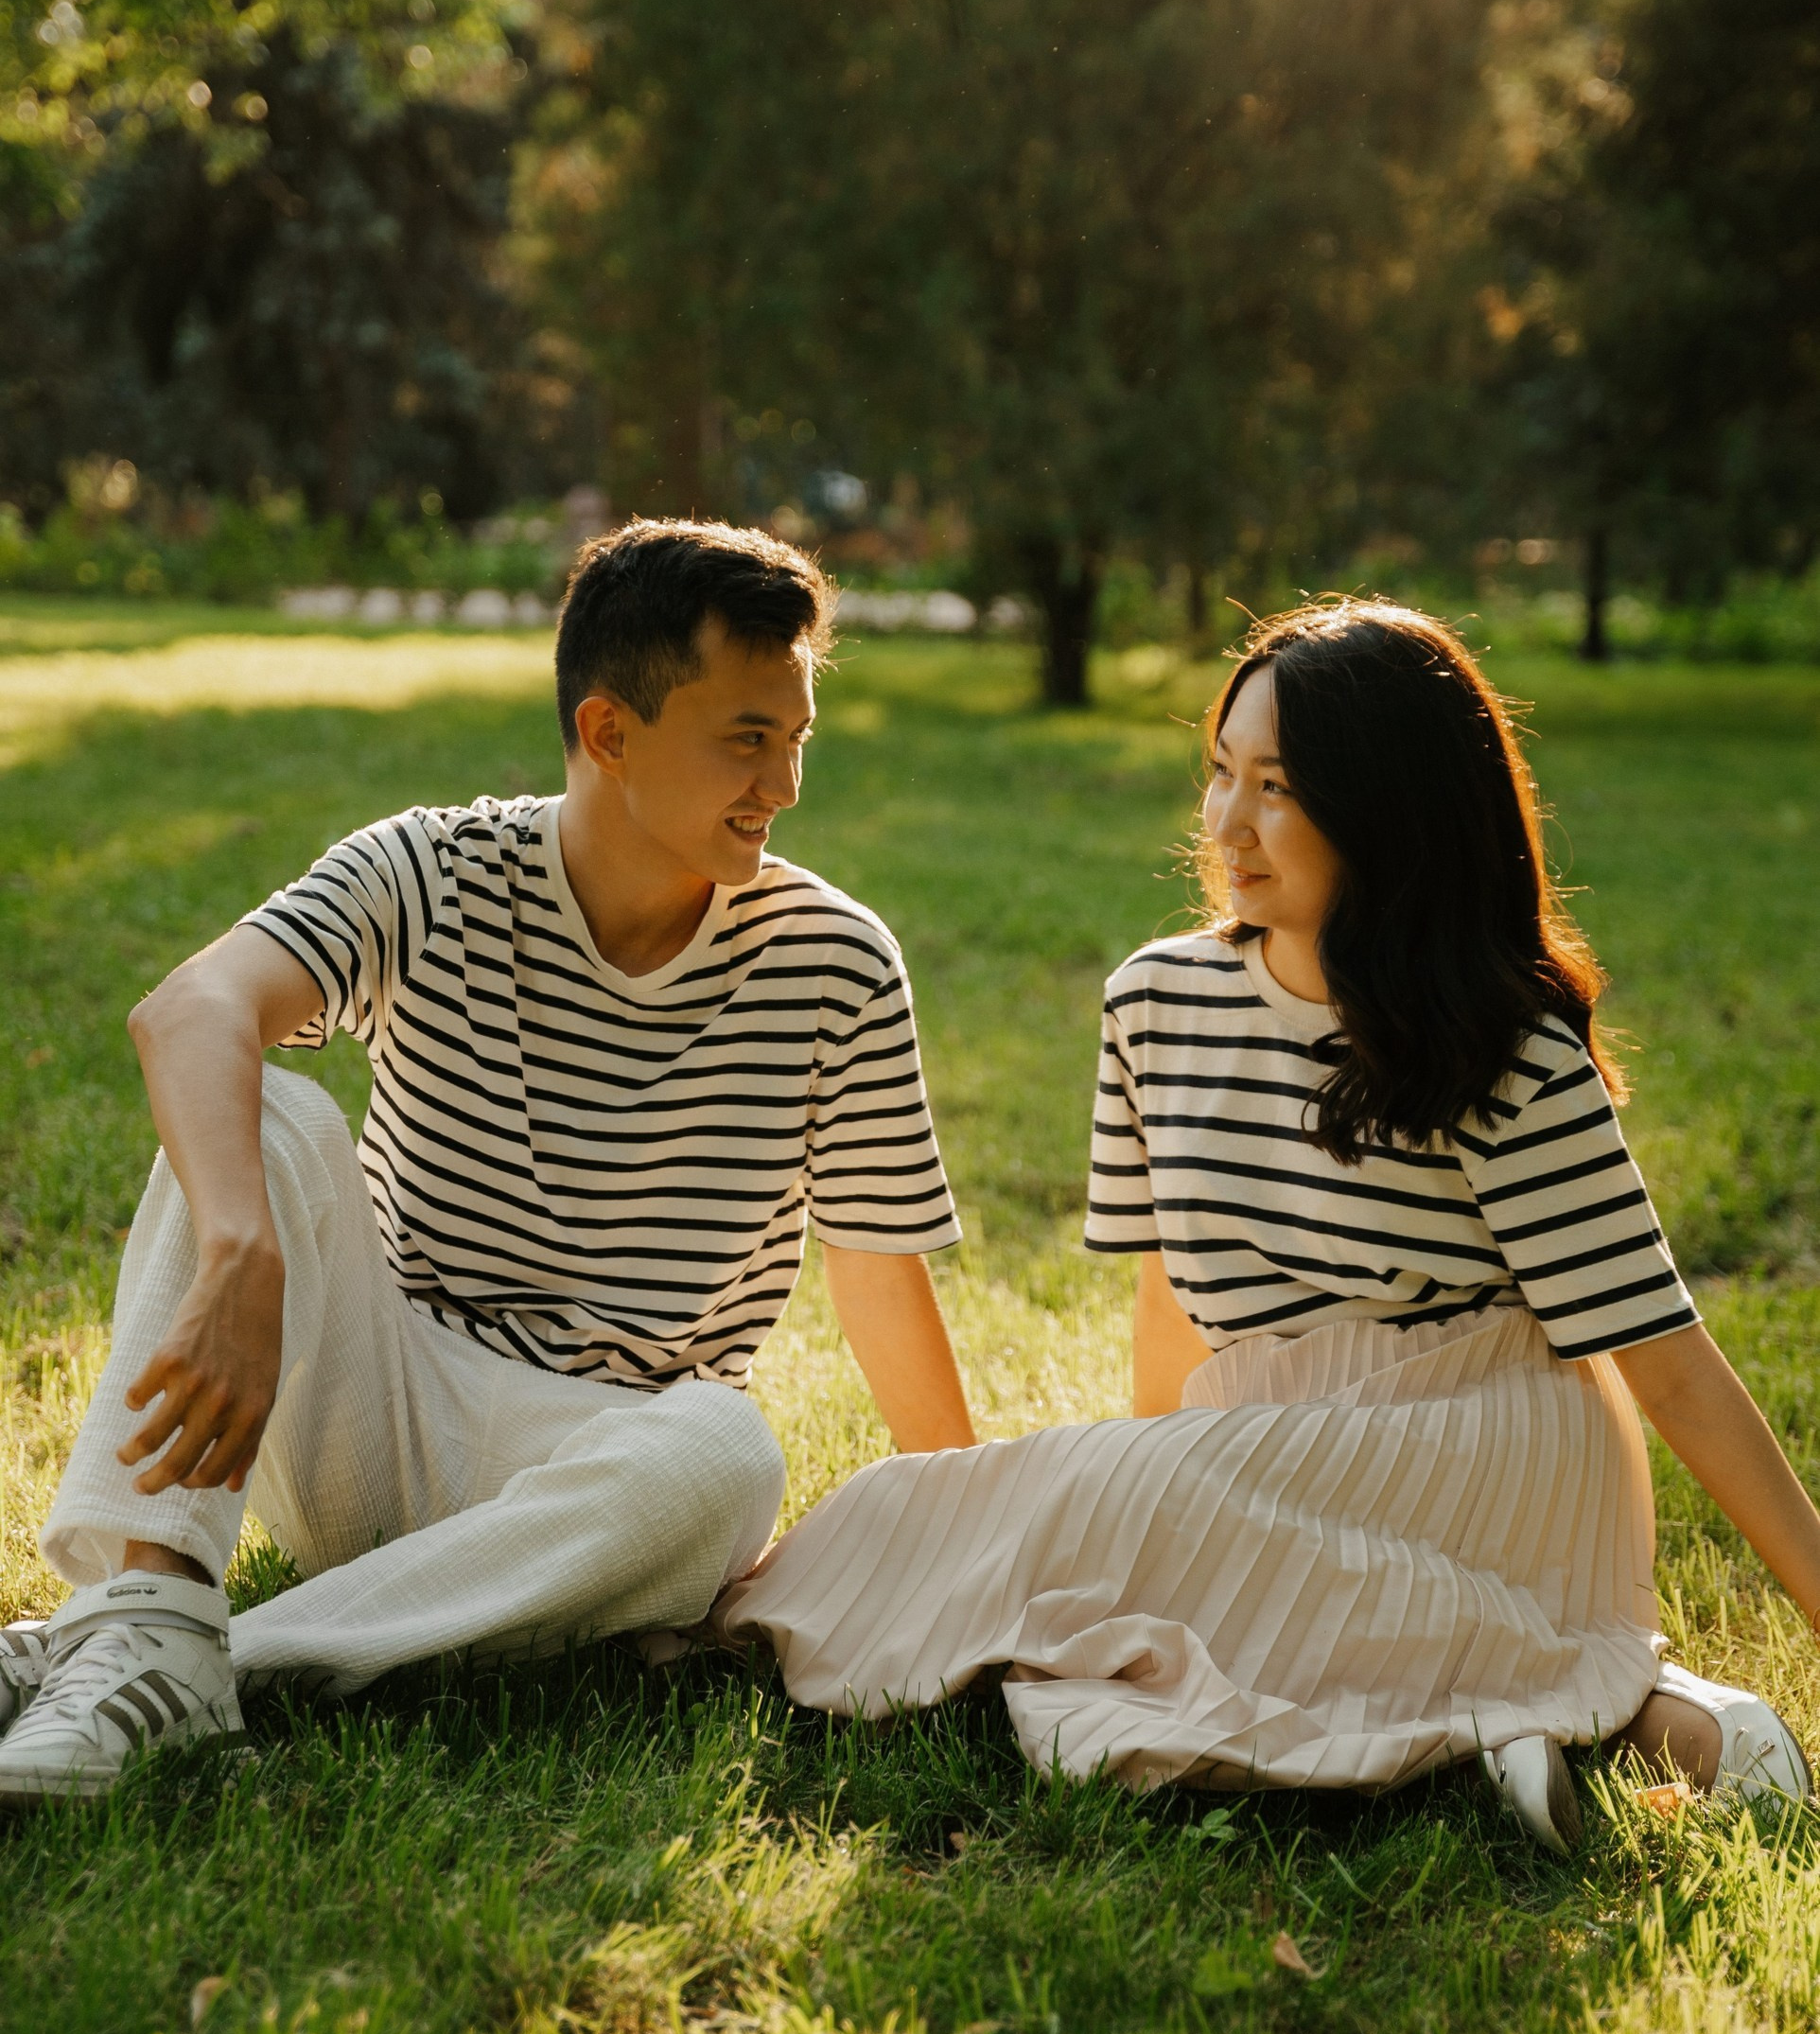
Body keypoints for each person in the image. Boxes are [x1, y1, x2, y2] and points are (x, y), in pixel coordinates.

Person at [716, 599, 1815, 1851]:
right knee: (974, 1569)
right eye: (1221, 774)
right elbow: (1173, 1301)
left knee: (972, 1569)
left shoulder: (1500, 1044)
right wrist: (1150, 1490)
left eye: (1279, 787)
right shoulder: (1154, 1005)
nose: (1229, 823)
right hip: (1270, 1440)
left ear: (1388, 809)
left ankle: (1592, 1712)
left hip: (1486, 1450)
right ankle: (1525, 1727)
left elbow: (1667, 1360)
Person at [0, 519, 975, 1805]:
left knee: (730, 1452)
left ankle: (171, 1659)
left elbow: (875, 1267)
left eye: (797, 739)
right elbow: (188, 1012)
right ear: (609, 731)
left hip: (603, 1471)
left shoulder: (835, 963)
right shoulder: (434, 868)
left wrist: (973, 1535)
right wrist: (242, 1252)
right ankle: (150, 1604)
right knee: (269, 1117)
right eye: (747, 737)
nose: (784, 784)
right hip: (375, 1402)